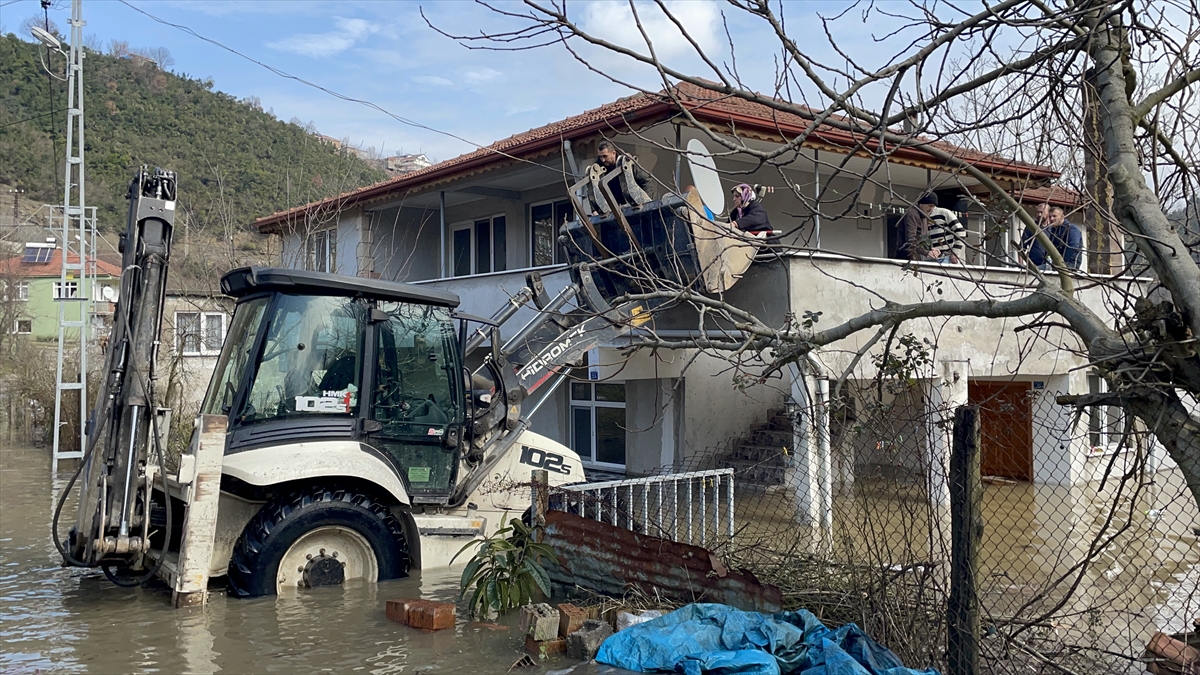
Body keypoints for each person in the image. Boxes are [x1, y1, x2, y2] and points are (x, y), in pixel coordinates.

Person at [593, 140, 654, 208]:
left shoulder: (628, 163)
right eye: (600, 157)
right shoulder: (598, 168)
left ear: (614, 153)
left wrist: (646, 202)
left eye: (605, 156)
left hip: (634, 205)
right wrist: (594, 209)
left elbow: (646, 181)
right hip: (615, 208)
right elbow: (594, 190)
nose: (603, 160)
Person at [1022, 204, 1083, 270]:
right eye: (1050, 216)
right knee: (1034, 270)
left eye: (1054, 216)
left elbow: (1073, 247)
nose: (1051, 219)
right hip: (1054, 265)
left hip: (1069, 265)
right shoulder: (1054, 231)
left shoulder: (1072, 229)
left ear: (1062, 216)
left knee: (1036, 271)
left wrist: (1061, 263)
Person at [901, 193, 939, 261]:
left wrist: (930, 248)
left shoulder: (924, 216)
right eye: (930, 206)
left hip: (917, 255)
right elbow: (911, 239)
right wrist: (926, 252)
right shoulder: (912, 213)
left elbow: (924, 237)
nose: (931, 209)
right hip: (906, 256)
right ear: (921, 204)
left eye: (933, 207)